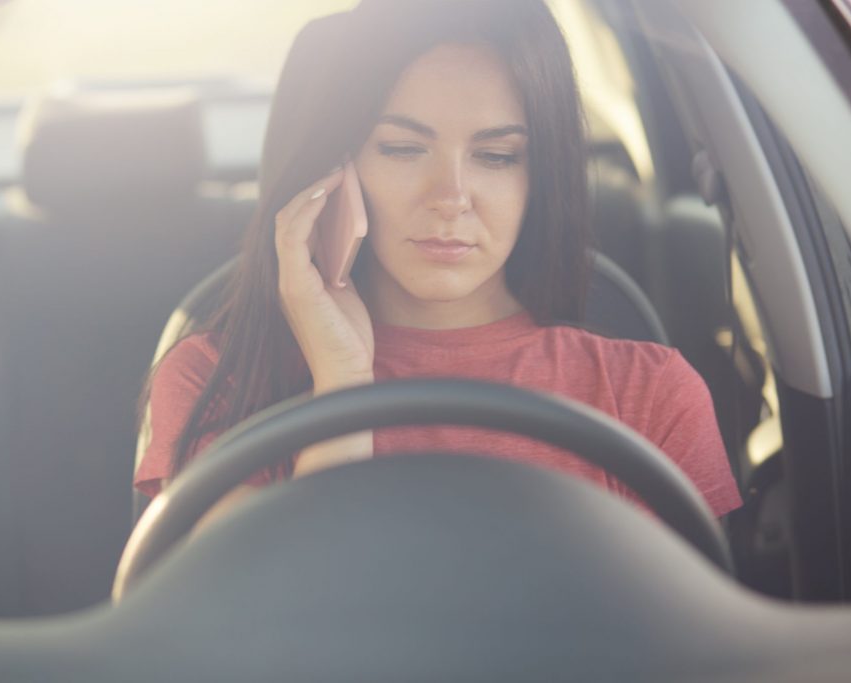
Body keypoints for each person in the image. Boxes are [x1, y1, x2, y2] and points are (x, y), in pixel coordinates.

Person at [134, 0, 742, 523]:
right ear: (337, 168)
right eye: (402, 148)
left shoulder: (652, 394)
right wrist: (343, 382)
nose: (450, 197)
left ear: (542, 177)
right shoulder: (213, 381)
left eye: (498, 156)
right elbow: (246, 636)